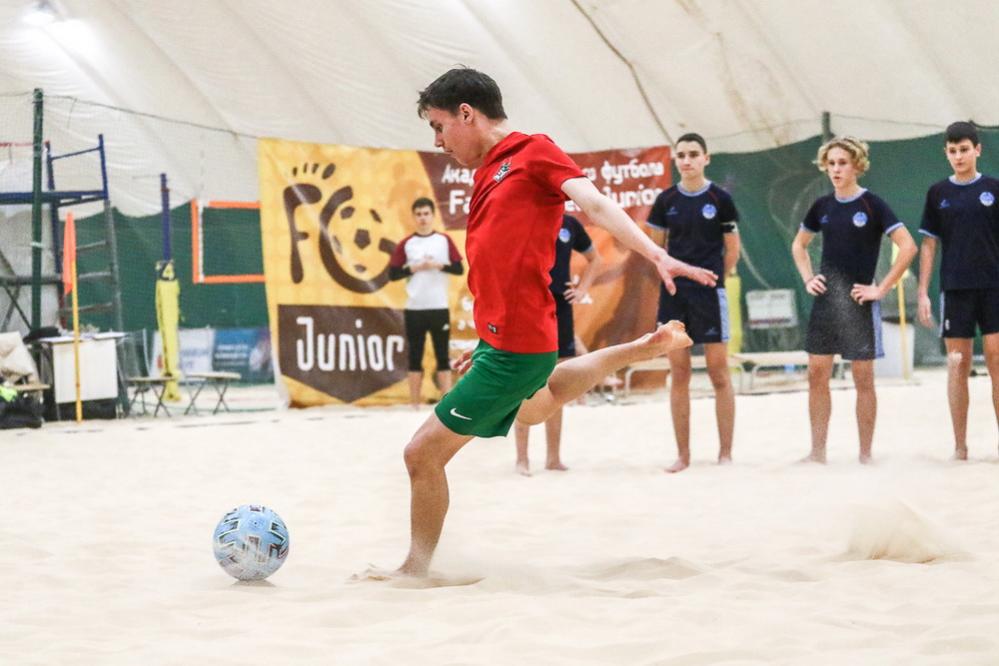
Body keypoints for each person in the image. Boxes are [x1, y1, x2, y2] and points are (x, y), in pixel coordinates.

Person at [396, 67, 716, 577]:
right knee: (536, 408)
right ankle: (641, 348)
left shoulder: (534, 151)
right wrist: (485, 339)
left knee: (421, 455)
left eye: (439, 126)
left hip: (516, 345)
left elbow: (595, 203)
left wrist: (656, 253)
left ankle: (414, 572)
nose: (437, 141)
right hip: (503, 339)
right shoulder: (487, 170)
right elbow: (501, 261)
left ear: (466, 114)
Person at [791, 136, 916, 464]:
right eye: (831, 163)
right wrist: (808, 278)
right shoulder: (822, 206)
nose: (836, 169)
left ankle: (865, 455)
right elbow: (799, 245)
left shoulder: (873, 205)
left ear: (857, 166)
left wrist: (881, 288)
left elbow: (908, 246)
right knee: (817, 374)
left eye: (842, 163)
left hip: (860, 302)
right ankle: (817, 452)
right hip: (826, 303)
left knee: (863, 379)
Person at [647, 133, 741, 473]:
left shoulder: (720, 199)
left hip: (710, 295)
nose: (686, 160)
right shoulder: (665, 200)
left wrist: (714, 279)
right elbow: (656, 251)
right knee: (680, 373)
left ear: (706, 158)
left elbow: (732, 250)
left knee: (719, 373)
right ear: (675, 159)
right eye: (681, 155)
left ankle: (725, 453)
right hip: (675, 296)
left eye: (693, 154)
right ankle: (683, 455)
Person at [916, 121, 999, 460]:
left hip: (994, 287)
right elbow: (929, 245)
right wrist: (922, 291)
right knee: (957, 364)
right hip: (956, 290)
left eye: (964, 149)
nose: (959, 156)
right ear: (946, 154)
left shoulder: (994, 188)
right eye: (952, 151)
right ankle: (960, 446)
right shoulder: (938, 193)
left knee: (996, 359)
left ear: (977, 150)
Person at [513, 213, 603, 475]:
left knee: (558, 383)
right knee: (525, 382)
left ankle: (553, 457)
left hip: (560, 307)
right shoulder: (525, 218)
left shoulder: (570, 224)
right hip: (529, 305)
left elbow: (595, 259)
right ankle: (522, 458)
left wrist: (582, 289)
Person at [389, 198, 464, 407]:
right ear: (414, 217)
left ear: (433, 216)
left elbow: (459, 268)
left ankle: (446, 403)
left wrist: (439, 265)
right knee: (415, 355)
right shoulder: (407, 243)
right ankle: (414, 404)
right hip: (414, 307)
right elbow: (392, 274)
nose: (422, 218)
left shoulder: (443, 241)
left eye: (426, 214)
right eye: (419, 214)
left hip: (439, 306)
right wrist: (411, 269)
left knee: (442, 355)